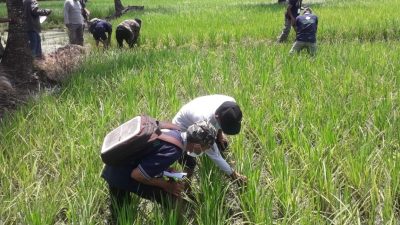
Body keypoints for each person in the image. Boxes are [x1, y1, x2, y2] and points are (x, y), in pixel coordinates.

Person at [101, 121, 216, 220]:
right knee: (174, 201)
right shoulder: (174, 150)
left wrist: (166, 169)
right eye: (205, 148)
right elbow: (137, 175)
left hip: (115, 167)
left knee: (120, 210)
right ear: (197, 146)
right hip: (123, 175)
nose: (204, 151)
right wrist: (167, 186)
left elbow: (150, 153)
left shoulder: (174, 131)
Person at [172, 94, 247, 184]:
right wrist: (234, 175)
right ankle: (185, 185)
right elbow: (215, 155)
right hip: (182, 129)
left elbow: (218, 122)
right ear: (217, 117)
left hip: (203, 125)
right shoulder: (203, 119)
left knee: (223, 144)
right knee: (190, 164)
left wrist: (219, 135)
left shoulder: (231, 104)